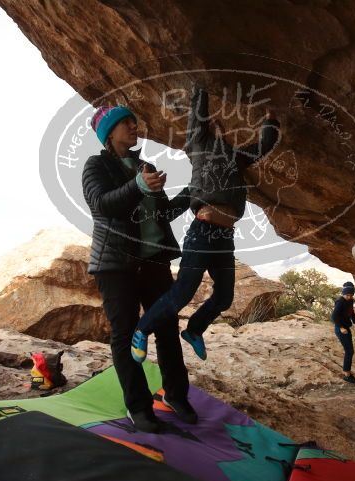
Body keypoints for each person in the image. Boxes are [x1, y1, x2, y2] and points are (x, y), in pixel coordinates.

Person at [130, 84, 281, 361]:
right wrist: (200, 87)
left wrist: (272, 117)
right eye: (217, 126)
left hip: (225, 237)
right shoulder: (200, 146)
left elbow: (263, 145)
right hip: (202, 232)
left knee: (224, 297)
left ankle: (194, 330)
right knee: (183, 292)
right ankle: (142, 330)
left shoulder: (235, 158)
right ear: (211, 128)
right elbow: (197, 120)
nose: (223, 130)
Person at [82, 104, 195, 433]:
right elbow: (102, 205)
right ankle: (139, 406)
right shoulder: (97, 165)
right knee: (125, 334)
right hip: (115, 264)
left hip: (154, 262)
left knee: (167, 329)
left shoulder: (146, 166)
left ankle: (176, 395)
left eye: (134, 120)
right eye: (126, 123)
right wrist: (139, 186)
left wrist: (191, 194)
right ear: (110, 133)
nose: (134, 126)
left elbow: (162, 215)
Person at [332, 281, 355, 383]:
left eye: (351, 295)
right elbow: (334, 316)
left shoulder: (350, 300)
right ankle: (347, 374)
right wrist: (341, 327)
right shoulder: (340, 301)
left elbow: (351, 312)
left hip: (346, 328)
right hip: (341, 329)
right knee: (349, 351)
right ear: (343, 293)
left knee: (350, 350)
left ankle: (347, 371)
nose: (349, 297)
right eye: (347, 295)